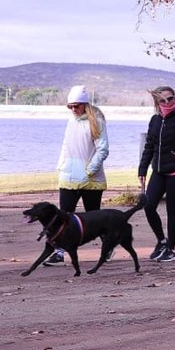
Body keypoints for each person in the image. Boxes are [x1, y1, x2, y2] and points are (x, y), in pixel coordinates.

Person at [45, 85, 110, 266]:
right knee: (63, 215)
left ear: (84, 104)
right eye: (70, 106)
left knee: (94, 216)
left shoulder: (96, 120)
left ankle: (107, 248)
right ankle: (59, 252)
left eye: (77, 106)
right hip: (69, 176)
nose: (74, 109)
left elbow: (103, 149)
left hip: (90, 179)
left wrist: (90, 169)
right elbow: (66, 146)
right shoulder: (71, 121)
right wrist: (61, 166)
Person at [138, 85, 175, 264]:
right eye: (163, 100)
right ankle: (162, 241)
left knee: (172, 210)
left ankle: (171, 249)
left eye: (170, 98)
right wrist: (142, 169)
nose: (168, 102)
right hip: (158, 171)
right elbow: (150, 145)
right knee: (148, 206)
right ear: (157, 102)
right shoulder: (155, 120)